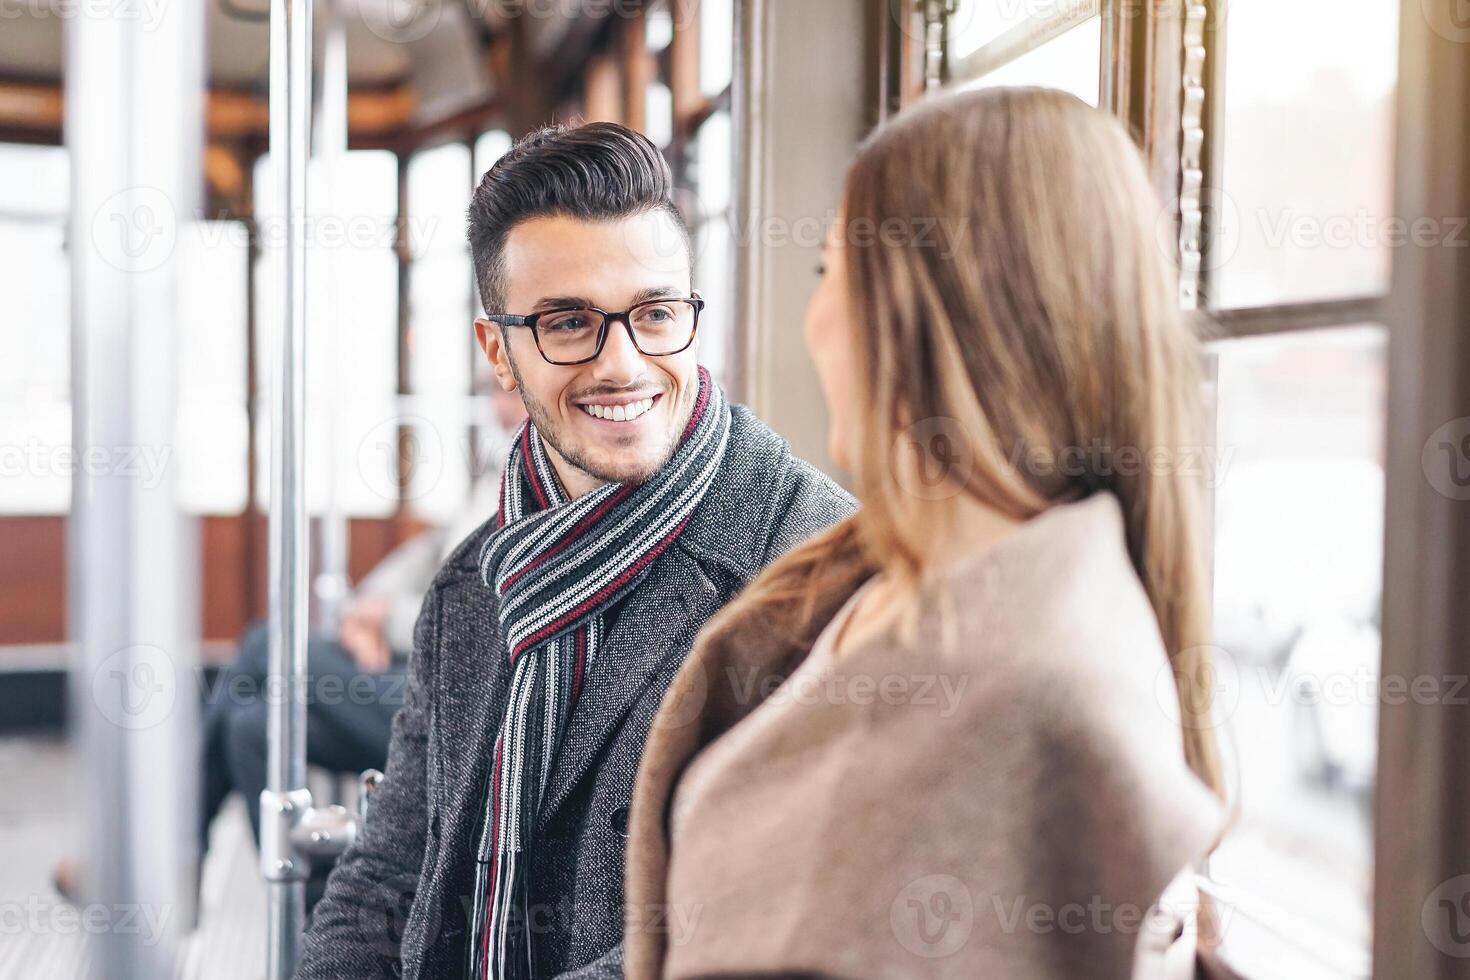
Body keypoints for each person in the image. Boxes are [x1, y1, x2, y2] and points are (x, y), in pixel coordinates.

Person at [625, 87, 1230, 979]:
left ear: (927, 319)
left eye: (831, 271)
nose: (815, 318)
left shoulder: (1036, 694)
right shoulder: (888, 587)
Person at [297, 122, 854, 979]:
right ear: (499, 352)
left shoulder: (813, 570)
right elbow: (387, 873)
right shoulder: (472, 587)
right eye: (567, 323)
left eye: (656, 313)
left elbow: (754, 929)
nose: (622, 364)